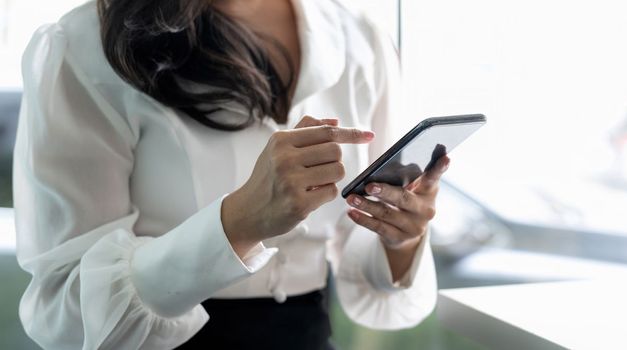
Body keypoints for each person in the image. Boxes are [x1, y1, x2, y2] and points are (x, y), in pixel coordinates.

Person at [13, 0, 445, 348]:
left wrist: (401, 238)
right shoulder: (83, 46)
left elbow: (369, 281)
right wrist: (236, 222)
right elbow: (64, 310)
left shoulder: (360, 37)